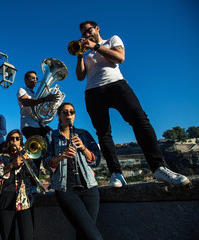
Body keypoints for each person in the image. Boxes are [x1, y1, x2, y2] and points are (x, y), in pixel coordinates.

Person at [75, 20, 190, 187]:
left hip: (116, 85)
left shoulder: (112, 40)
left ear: (97, 28)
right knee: (103, 133)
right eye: (83, 33)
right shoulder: (86, 54)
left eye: (88, 31)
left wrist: (96, 46)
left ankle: (158, 167)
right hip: (92, 91)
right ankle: (116, 173)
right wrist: (80, 54)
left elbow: (119, 58)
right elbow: (80, 76)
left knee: (140, 120)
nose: (86, 35)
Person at [43, 102, 102, 240]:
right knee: (94, 236)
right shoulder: (51, 136)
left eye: (72, 112)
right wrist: (61, 156)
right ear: (59, 116)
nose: (69, 115)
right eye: (65, 112)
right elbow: (46, 162)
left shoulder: (84, 134)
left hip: (89, 187)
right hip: (65, 189)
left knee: (84, 234)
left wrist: (83, 148)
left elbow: (96, 160)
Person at [17, 71, 60, 189]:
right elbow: (26, 102)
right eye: (32, 78)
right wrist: (45, 99)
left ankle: (56, 179)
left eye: (36, 78)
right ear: (26, 80)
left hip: (39, 124)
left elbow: (42, 108)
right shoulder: (22, 90)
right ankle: (33, 185)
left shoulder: (37, 93)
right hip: (29, 125)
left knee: (56, 139)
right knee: (36, 154)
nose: (36, 79)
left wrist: (51, 103)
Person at [0, 129, 35, 240]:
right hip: (5, 199)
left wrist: (27, 159)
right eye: (12, 139)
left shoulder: (27, 155)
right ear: (8, 142)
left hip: (23, 200)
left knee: (27, 236)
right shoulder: (2, 157)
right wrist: (12, 165)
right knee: (7, 236)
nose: (14, 141)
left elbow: (34, 174)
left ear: (21, 141)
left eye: (17, 139)